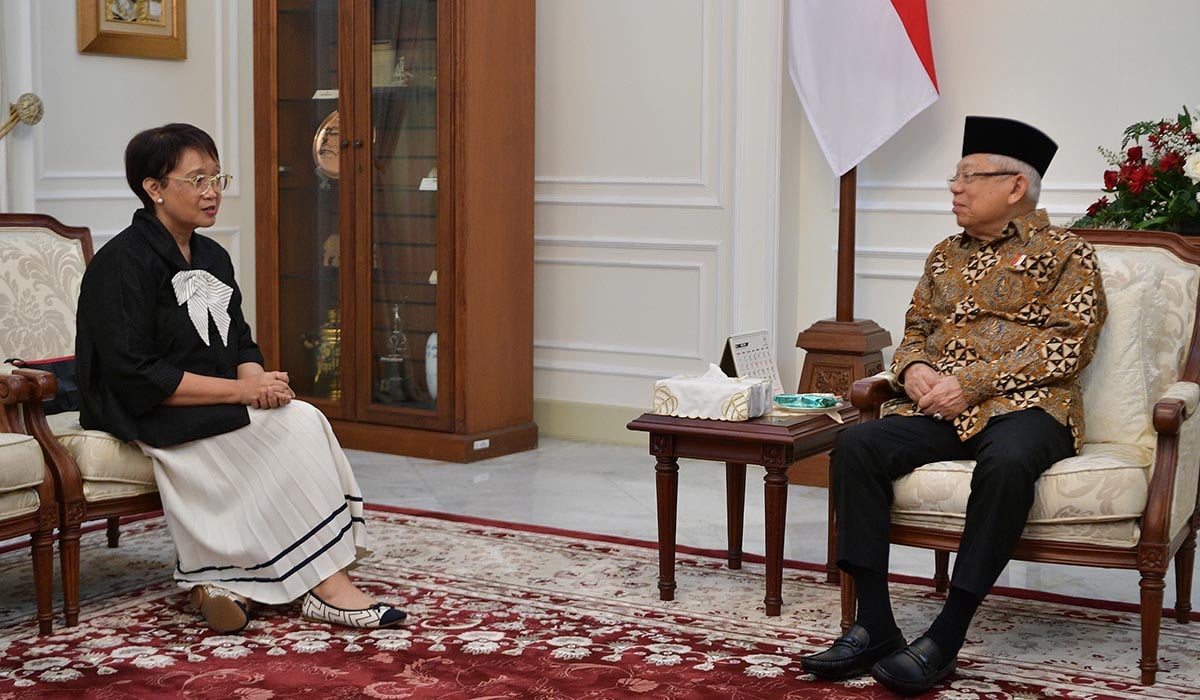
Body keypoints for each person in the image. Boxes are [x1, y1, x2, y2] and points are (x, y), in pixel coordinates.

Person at [800, 116, 1107, 695]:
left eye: (969, 177)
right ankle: (874, 623)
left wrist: (973, 382)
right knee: (858, 443)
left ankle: (947, 634)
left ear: (1015, 186)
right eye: (954, 177)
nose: (955, 188)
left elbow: (1069, 345)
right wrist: (913, 368)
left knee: (1008, 462)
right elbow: (916, 329)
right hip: (942, 408)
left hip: (1030, 408)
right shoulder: (944, 255)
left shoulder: (1068, 252)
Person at [76, 123, 407, 634]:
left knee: (300, 417)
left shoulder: (213, 255)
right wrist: (241, 391)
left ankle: (236, 582)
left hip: (210, 395)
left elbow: (241, 343)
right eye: (197, 180)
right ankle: (329, 589)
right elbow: (137, 374)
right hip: (145, 406)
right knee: (290, 428)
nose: (212, 191)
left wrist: (260, 382)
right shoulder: (120, 263)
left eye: (217, 177)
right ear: (154, 188)